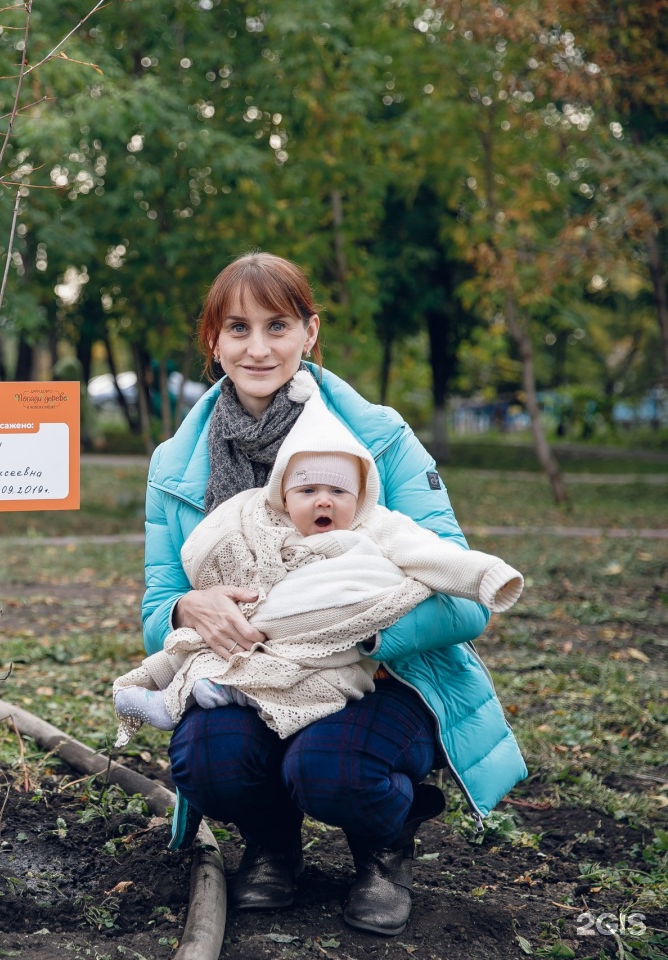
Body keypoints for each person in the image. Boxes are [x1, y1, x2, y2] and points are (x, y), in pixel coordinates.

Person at [141, 252, 526, 937]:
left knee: (331, 767)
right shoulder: (178, 464)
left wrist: (368, 633)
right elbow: (158, 604)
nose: (258, 348)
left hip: (381, 674)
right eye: (237, 328)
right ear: (212, 340)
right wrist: (184, 608)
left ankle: (385, 847)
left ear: (309, 332)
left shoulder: (378, 438)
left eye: (278, 325)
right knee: (209, 757)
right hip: (250, 667)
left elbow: (464, 596)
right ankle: (271, 846)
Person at [115, 370, 524, 742]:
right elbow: (206, 546)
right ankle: (169, 693)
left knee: (328, 758)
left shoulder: (377, 523)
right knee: (211, 736)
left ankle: (203, 694)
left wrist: (487, 576)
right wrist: (187, 605)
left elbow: (432, 555)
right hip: (250, 637)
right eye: (308, 492)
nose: (323, 502)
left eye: (338, 492)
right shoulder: (261, 518)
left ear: (308, 331)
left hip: (366, 659)